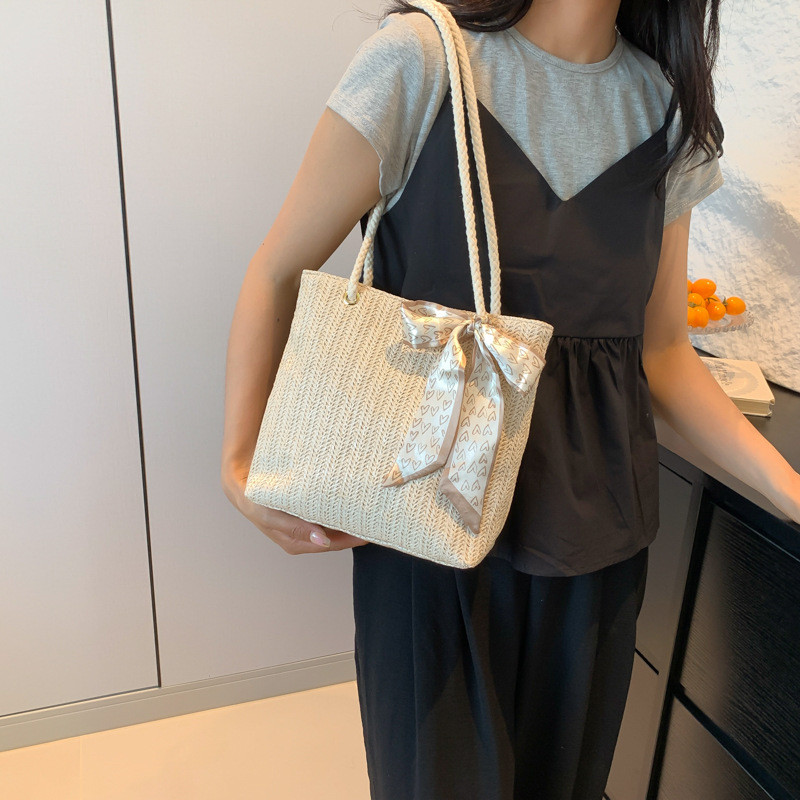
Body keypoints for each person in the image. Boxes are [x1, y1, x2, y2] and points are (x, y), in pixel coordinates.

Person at [220, 1, 800, 798]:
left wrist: (788, 489)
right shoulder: (422, 60)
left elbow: (663, 354)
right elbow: (280, 269)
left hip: (598, 538)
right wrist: (240, 459)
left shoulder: (668, 113)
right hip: (429, 526)